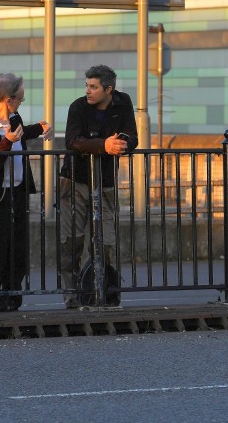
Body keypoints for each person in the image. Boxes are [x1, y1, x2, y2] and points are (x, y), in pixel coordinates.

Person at [0, 73, 53, 312]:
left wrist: (40, 128)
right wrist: (5, 143)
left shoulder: (14, 118)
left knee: (18, 248)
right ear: (9, 99)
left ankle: (12, 297)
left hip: (17, 192)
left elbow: (20, 133)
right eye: (21, 99)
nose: (21, 103)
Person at [59, 64, 137, 308]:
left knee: (105, 242)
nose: (88, 91)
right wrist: (104, 145)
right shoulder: (78, 107)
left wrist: (120, 143)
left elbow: (132, 137)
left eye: (93, 87)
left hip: (105, 182)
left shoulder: (123, 103)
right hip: (76, 180)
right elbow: (72, 141)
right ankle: (72, 297)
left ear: (108, 89)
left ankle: (99, 292)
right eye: (87, 86)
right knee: (72, 242)